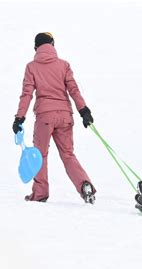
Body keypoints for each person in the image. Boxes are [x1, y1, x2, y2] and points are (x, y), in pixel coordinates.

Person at [12, 32, 96, 204]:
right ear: (52, 45)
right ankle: (84, 185)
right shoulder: (63, 65)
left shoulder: (31, 67)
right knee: (68, 154)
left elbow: (26, 94)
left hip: (45, 117)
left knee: (40, 155)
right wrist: (84, 111)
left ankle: (40, 193)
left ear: (36, 48)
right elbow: (74, 90)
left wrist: (19, 118)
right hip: (65, 116)